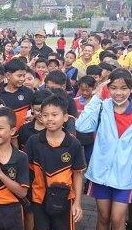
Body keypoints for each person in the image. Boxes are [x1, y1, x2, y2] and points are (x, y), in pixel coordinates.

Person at [75, 69, 132, 230]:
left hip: (125, 176)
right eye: (114, 88)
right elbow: (81, 125)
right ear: (108, 88)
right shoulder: (102, 107)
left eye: (124, 88)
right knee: (103, 217)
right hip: (101, 173)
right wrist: (96, 96)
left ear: (131, 89)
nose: (119, 93)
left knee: (117, 219)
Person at [25, 95, 85, 230]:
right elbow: (27, 171)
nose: (49, 119)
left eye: (54, 115)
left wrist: (77, 203)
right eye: (45, 115)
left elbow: (77, 174)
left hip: (65, 199)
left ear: (65, 117)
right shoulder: (33, 141)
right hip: (38, 198)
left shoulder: (73, 143)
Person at [0, 59, 34, 131]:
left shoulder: (28, 93)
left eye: (24, 76)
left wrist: (33, 117)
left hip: (24, 133)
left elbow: (33, 111)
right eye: (19, 76)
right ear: (8, 75)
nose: (22, 79)